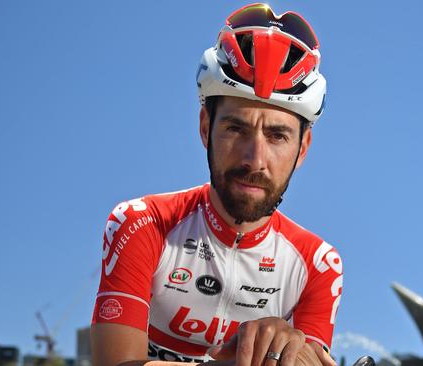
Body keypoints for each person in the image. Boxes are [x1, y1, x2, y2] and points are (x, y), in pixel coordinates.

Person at [91, 4, 342, 366]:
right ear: (205, 127)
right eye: (235, 128)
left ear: (302, 148)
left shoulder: (319, 265)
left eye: (277, 136)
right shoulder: (141, 223)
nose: (254, 159)